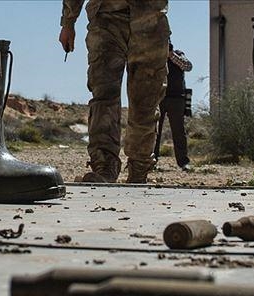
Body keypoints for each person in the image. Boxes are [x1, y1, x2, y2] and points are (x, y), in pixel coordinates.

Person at [59, 0, 170, 184]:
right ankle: (104, 167)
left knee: (146, 100)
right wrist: (68, 22)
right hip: (106, 20)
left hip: (151, 20)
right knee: (104, 95)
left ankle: (139, 170)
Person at [155, 42, 193, 172]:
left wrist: (171, 55)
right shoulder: (157, 57)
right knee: (155, 131)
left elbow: (188, 66)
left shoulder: (178, 55)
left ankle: (183, 162)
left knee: (178, 132)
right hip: (159, 97)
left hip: (177, 98)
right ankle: (152, 160)